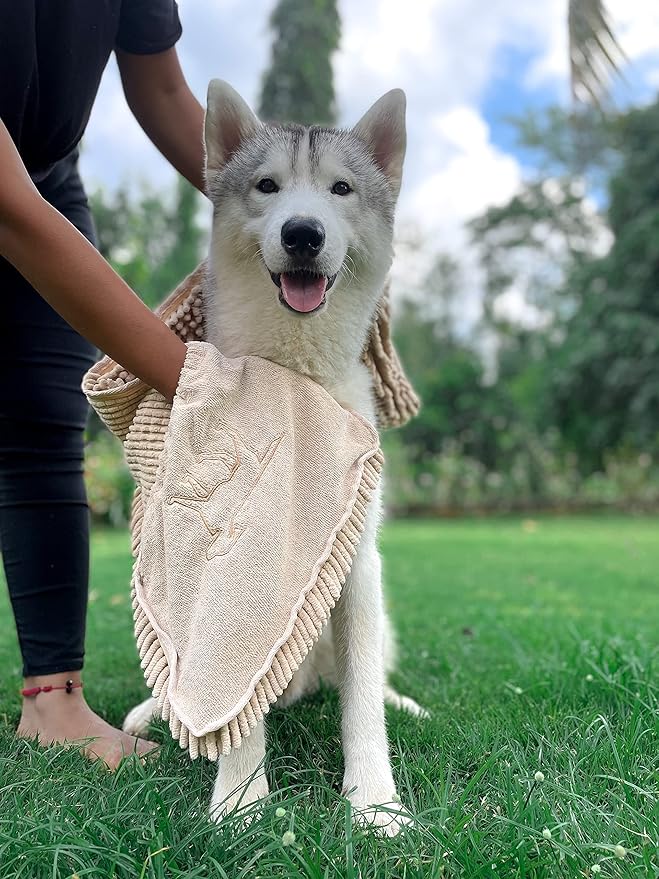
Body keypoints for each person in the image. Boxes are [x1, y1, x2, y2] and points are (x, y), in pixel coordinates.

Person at [0, 1, 206, 768]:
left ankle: (52, 703)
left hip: (43, 172)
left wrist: (293, 200)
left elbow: (164, 92)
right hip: (11, 190)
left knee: (45, 416)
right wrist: (201, 384)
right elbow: (8, 210)